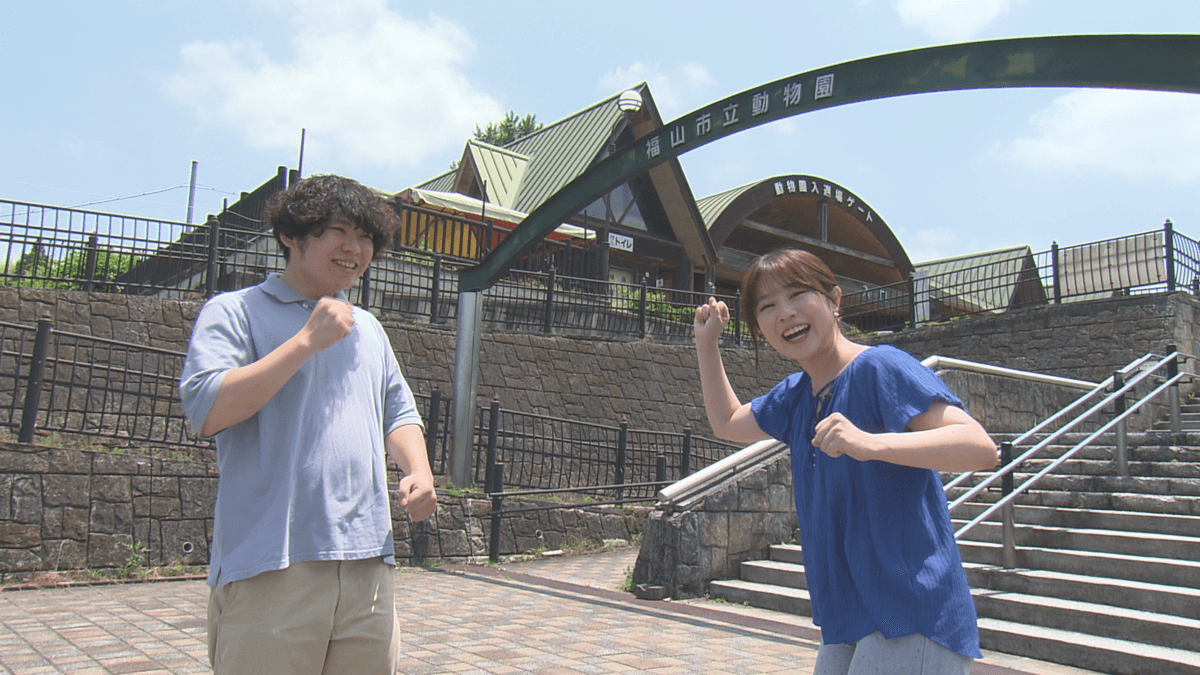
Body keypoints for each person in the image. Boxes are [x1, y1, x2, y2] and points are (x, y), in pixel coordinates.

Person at [693, 248, 997, 675]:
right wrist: (706, 345)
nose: (785, 312)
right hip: (847, 615)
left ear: (834, 300)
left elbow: (979, 446)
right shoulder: (796, 395)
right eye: (767, 306)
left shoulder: (880, 367)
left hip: (910, 609)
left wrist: (870, 443)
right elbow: (727, 422)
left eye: (797, 294)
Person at [179, 174, 437, 675]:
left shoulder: (369, 328)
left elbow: (398, 410)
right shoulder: (234, 311)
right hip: (271, 567)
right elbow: (208, 410)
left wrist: (419, 471)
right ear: (290, 236)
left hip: (368, 567)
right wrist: (304, 342)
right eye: (337, 231)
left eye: (365, 237)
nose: (354, 248)